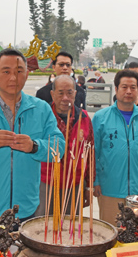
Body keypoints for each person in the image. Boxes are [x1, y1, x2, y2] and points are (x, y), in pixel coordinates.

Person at [0, 49, 65, 224]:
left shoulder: (41, 109)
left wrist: (34, 146)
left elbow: (59, 147)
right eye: (6, 72)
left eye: (19, 71)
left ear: (26, 75)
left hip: (26, 208)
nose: (13, 78)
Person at [93, 69, 138, 226]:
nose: (129, 91)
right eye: (124, 87)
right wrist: (94, 180)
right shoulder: (101, 118)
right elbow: (93, 152)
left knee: (137, 237)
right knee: (111, 234)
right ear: (116, 89)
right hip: (109, 189)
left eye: (133, 87)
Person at [35, 75, 95, 216]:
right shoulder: (41, 117)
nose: (65, 98)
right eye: (60, 93)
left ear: (75, 94)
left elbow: (90, 153)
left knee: (70, 231)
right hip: (45, 184)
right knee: (42, 228)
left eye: (69, 93)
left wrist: (89, 185)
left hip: (74, 185)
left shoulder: (84, 118)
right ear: (52, 94)